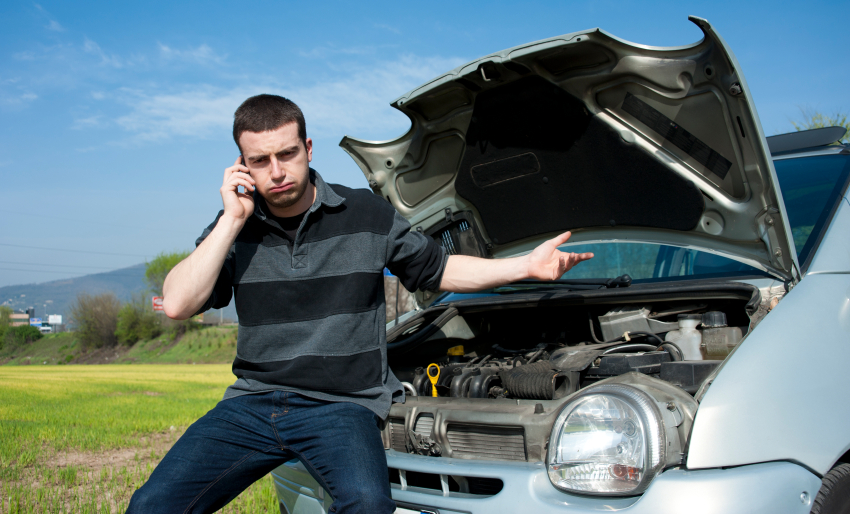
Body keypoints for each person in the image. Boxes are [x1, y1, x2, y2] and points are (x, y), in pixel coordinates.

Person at [127, 94, 593, 513]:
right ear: (242, 166)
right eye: (260, 160)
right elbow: (177, 304)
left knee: (368, 504)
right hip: (252, 403)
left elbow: (439, 270)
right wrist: (231, 221)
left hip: (340, 406)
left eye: (287, 154)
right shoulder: (234, 225)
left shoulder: (367, 214)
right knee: (152, 505)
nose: (277, 172)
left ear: (308, 149)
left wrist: (525, 267)